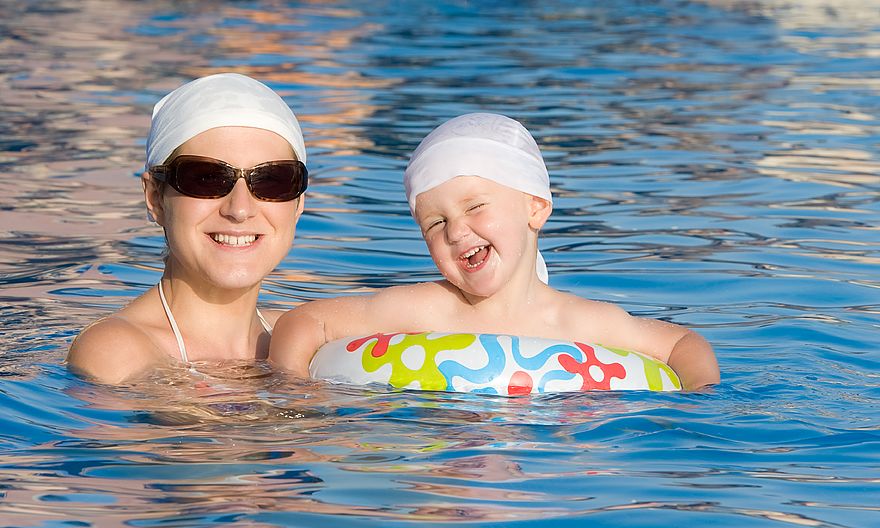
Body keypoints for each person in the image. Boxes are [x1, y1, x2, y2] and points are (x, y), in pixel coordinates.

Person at [269, 112, 719, 390]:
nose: (457, 231)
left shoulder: (577, 322)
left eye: (476, 207)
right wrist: (291, 391)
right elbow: (304, 321)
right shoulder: (427, 309)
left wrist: (701, 398)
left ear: (536, 208)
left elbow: (683, 342)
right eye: (436, 222)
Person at [67, 73, 308, 384]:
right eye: (206, 178)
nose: (240, 209)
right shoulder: (116, 351)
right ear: (155, 198)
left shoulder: (300, 338)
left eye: (272, 180)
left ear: (299, 204)